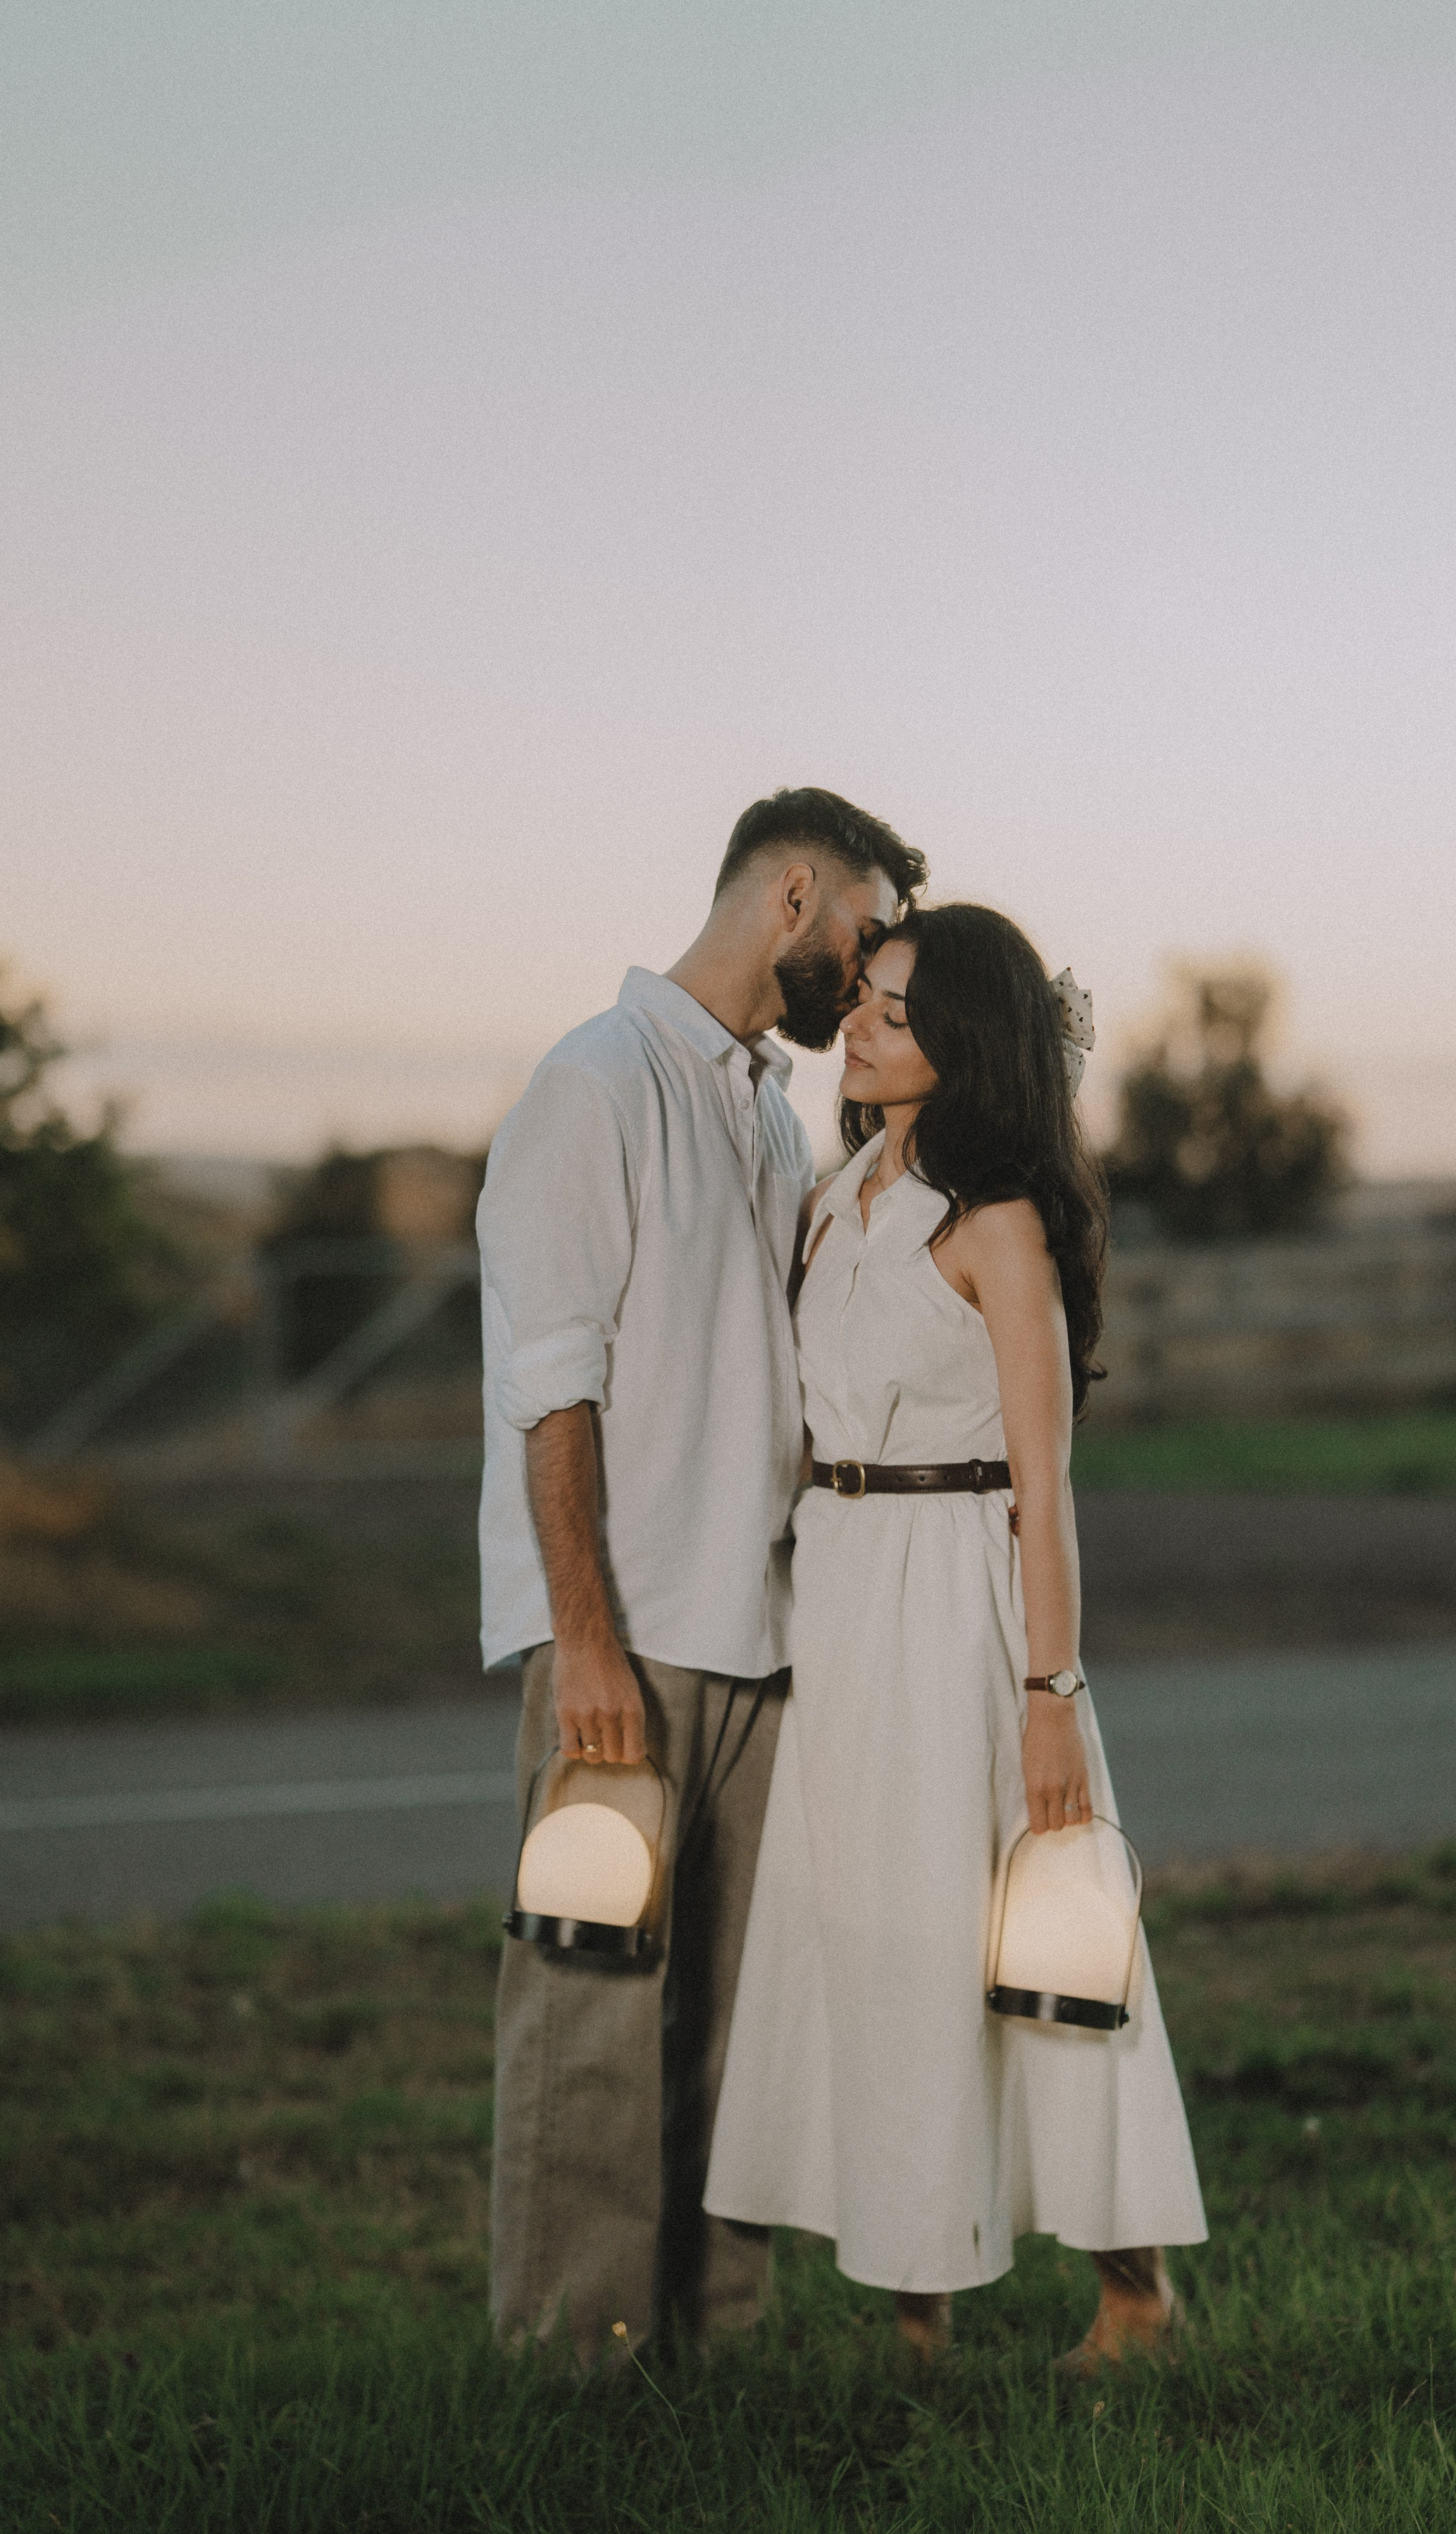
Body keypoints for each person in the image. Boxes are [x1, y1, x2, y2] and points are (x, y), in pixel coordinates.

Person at [704, 902, 1206, 2367]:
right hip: (845, 1587)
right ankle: (911, 2302)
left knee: (1025, 1931)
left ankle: (1134, 2293)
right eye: (862, 994)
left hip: (967, 1607)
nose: (854, 1022)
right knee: (869, 1933)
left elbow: (1042, 1490)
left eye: (895, 1011)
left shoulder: (996, 1225)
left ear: (965, 1047)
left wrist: (1050, 1691)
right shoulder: (832, 1196)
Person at [475, 786, 927, 2366]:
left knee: (735, 2030)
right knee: (591, 2015)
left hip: (757, 1636)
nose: (872, 977)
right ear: (791, 896)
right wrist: (582, 1641)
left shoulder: (762, 1111)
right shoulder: (592, 1089)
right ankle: (568, 2374)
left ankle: (713, 2353)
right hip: (628, 1635)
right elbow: (554, 1388)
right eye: (864, 934)